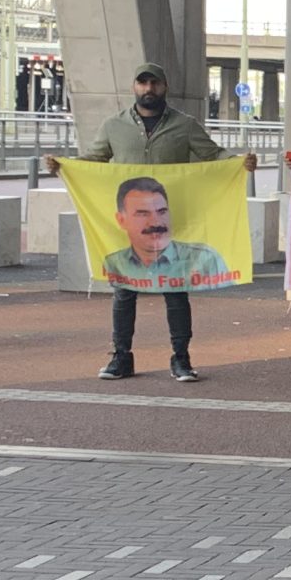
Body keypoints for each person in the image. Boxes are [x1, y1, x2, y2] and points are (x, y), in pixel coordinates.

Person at [50, 59, 245, 383]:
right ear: (134, 87)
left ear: (164, 86)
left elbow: (213, 155)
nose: (148, 88)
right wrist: (64, 165)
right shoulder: (114, 126)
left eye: (154, 82)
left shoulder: (185, 125)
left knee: (176, 292)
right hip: (130, 232)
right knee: (124, 293)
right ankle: (121, 357)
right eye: (143, 82)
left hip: (171, 224)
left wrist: (239, 163)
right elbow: (94, 159)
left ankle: (181, 359)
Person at [98, 177, 235, 291]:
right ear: (121, 220)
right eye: (143, 214)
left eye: (162, 212)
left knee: (177, 303)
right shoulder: (112, 264)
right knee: (124, 301)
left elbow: (225, 303)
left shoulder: (204, 259)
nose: (156, 223)